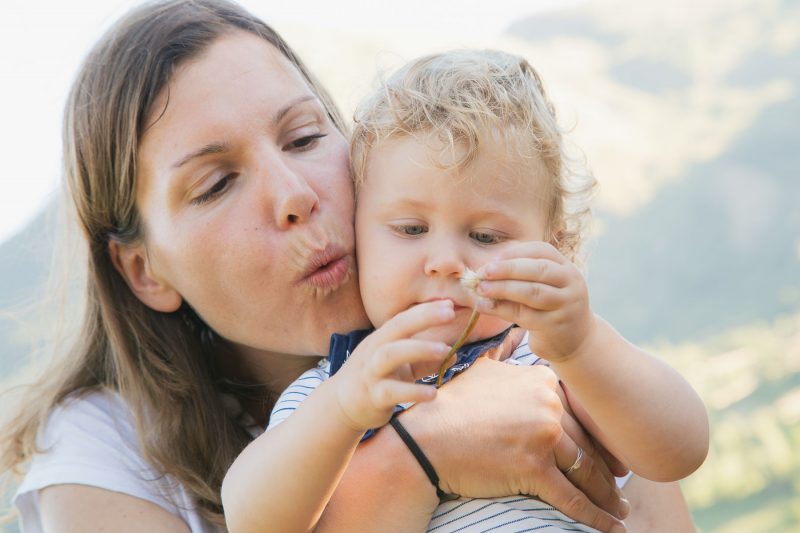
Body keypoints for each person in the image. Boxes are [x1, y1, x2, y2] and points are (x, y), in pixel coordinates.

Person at [0, 1, 698, 532]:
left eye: (305, 136)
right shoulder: (332, 393)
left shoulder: (540, 343)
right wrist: (421, 453)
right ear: (144, 270)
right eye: (216, 183)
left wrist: (583, 348)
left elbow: (670, 461)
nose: (296, 196)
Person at [221, 49, 709, 532]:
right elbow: (252, 520)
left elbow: (678, 451)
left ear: (551, 246)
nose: (446, 262)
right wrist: (345, 407)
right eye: (411, 229)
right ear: (357, 234)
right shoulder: (334, 394)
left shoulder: (548, 362)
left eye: (485, 237)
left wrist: (582, 345)